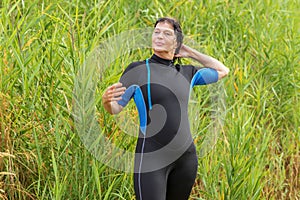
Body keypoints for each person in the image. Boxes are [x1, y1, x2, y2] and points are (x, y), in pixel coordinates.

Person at [102, 17, 229, 200]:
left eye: (167, 33)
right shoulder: (137, 70)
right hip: (152, 159)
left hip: (185, 159)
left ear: (176, 42)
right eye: (157, 32)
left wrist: (189, 52)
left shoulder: (187, 73)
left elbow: (223, 70)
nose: (159, 36)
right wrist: (106, 101)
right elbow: (115, 108)